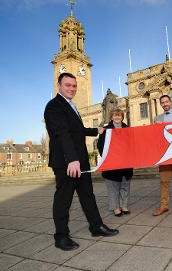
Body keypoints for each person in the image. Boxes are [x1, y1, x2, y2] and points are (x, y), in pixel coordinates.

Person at [44, 72, 118, 251]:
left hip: (80, 161)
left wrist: (96, 131)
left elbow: (77, 130)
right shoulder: (54, 106)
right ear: (59, 86)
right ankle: (61, 236)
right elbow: (62, 133)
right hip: (66, 162)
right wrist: (72, 159)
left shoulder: (71, 106)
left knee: (87, 195)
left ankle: (96, 226)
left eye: (74, 86)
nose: (72, 88)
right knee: (63, 199)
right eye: (68, 85)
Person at [97, 109, 133, 217]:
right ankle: (116, 208)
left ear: (122, 117)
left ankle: (124, 206)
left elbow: (132, 144)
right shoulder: (106, 129)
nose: (117, 118)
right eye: (115, 116)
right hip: (112, 164)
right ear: (111, 117)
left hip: (125, 163)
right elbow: (100, 145)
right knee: (113, 188)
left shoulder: (127, 128)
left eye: (119, 116)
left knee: (125, 186)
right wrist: (108, 156)